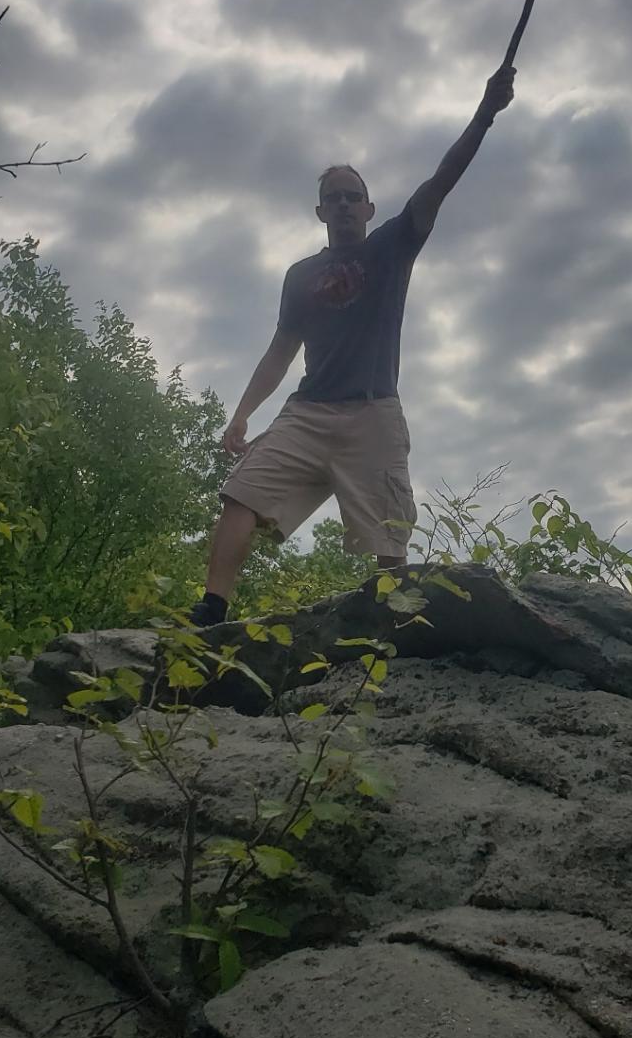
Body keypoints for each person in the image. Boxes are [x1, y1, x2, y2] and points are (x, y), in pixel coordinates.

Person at [190, 62, 516, 626]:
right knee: (240, 493)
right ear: (320, 212)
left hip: (373, 413)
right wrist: (241, 416)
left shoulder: (392, 246)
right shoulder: (299, 275)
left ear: (368, 209)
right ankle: (212, 611)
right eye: (333, 197)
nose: (343, 204)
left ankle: (394, 626)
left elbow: (441, 180)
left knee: (388, 536)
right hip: (308, 412)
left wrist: (485, 114)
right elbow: (279, 350)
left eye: (353, 196)